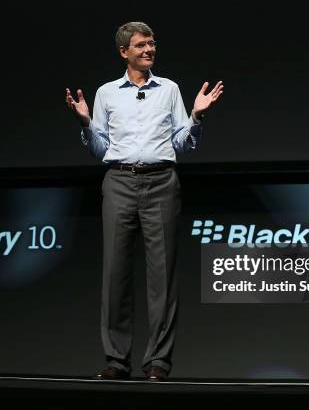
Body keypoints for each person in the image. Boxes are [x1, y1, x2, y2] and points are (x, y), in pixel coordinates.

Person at [65, 21, 223, 381]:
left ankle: (158, 363)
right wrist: (87, 122)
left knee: (162, 278)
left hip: (162, 182)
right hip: (119, 181)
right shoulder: (106, 92)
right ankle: (117, 361)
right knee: (115, 273)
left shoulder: (169, 89)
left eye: (152, 44)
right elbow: (100, 149)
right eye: (141, 45)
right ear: (124, 52)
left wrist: (197, 116)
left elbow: (182, 144)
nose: (149, 50)